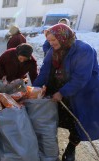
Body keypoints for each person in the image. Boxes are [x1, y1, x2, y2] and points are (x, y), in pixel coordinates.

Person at [33, 23, 99, 161]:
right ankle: (50, 145)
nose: (50, 44)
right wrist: (34, 89)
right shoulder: (53, 50)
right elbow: (45, 71)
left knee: (76, 122)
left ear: (63, 38)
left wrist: (63, 92)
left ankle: (71, 149)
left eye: (53, 40)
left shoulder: (84, 50)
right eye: (49, 41)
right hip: (60, 87)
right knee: (53, 117)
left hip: (81, 93)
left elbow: (81, 78)